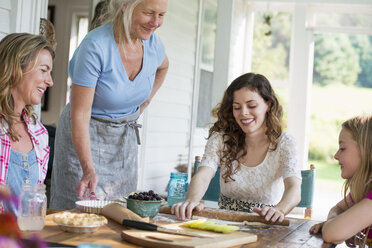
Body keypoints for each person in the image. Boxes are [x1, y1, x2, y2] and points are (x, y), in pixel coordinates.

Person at [50, 0, 169, 210]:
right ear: (125, 6)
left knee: (119, 211)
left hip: (123, 141)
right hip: (84, 136)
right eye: (149, 13)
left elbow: (164, 66)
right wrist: (88, 168)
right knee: (78, 211)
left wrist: (144, 102)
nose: (156, 22)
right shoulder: (95, 46)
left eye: (161, 15)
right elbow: (80, 114)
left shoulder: (154, 45)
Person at [171, 73, 302, 222]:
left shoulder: (285, 143)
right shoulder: (221, 139)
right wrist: (192, 200)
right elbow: (203, 175)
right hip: (224, 221)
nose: (243, 113)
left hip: (265, 223)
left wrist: (280, 210)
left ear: (268, 104)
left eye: (252, 105)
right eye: (237, 107)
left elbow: (294, 188)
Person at [0, 33, 54, 212]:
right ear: (17, 67)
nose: (50, 81)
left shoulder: (39, 133)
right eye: (43, 70)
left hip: (25, 237)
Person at [310, 116, 372, 247]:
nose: (336, 155)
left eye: (342, 148)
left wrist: (332, 225)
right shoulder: (363, 192)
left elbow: (331, 233)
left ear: (366, 151)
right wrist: (334, 221)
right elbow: (338, 208)